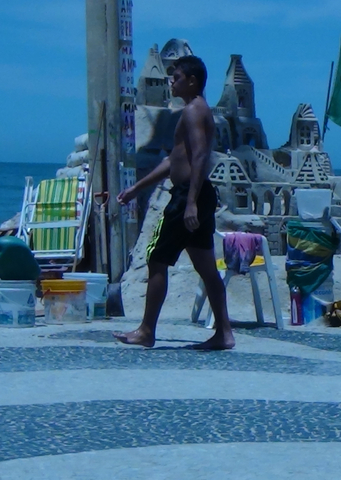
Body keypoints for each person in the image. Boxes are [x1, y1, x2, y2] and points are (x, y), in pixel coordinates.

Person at [113, 56, 235, 349]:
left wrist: (190, 202)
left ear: (192, 81)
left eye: (177, 77)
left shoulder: (194, 111)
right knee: (206, 267)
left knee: (156, 258)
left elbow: (201, 156)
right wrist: (134, 190)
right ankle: (224, 333)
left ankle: (146, 331)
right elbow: (172, 161)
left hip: (188, 196)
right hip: (197, 194)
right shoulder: (192, 111)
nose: (171, 82)